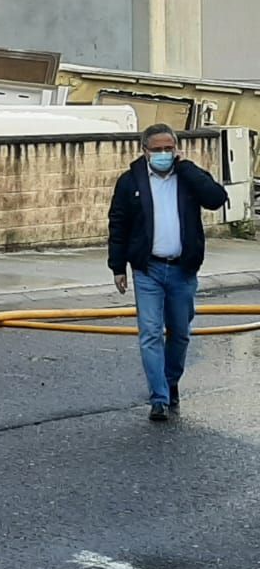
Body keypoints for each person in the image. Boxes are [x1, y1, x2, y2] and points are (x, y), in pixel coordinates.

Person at [108, 124, 229, 421]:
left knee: (180, 333)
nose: (163, 154)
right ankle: (159, 397)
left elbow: (216, 198)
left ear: (176, 149)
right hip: (147, 269)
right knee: (150, 333)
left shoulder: (187, 178)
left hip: (182, 269)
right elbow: (118, 224)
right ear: (144, 150)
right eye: (157, 149)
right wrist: (117, 266)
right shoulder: (130, 182)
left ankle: (170, 380)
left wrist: (186, 168)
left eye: (168, 149)